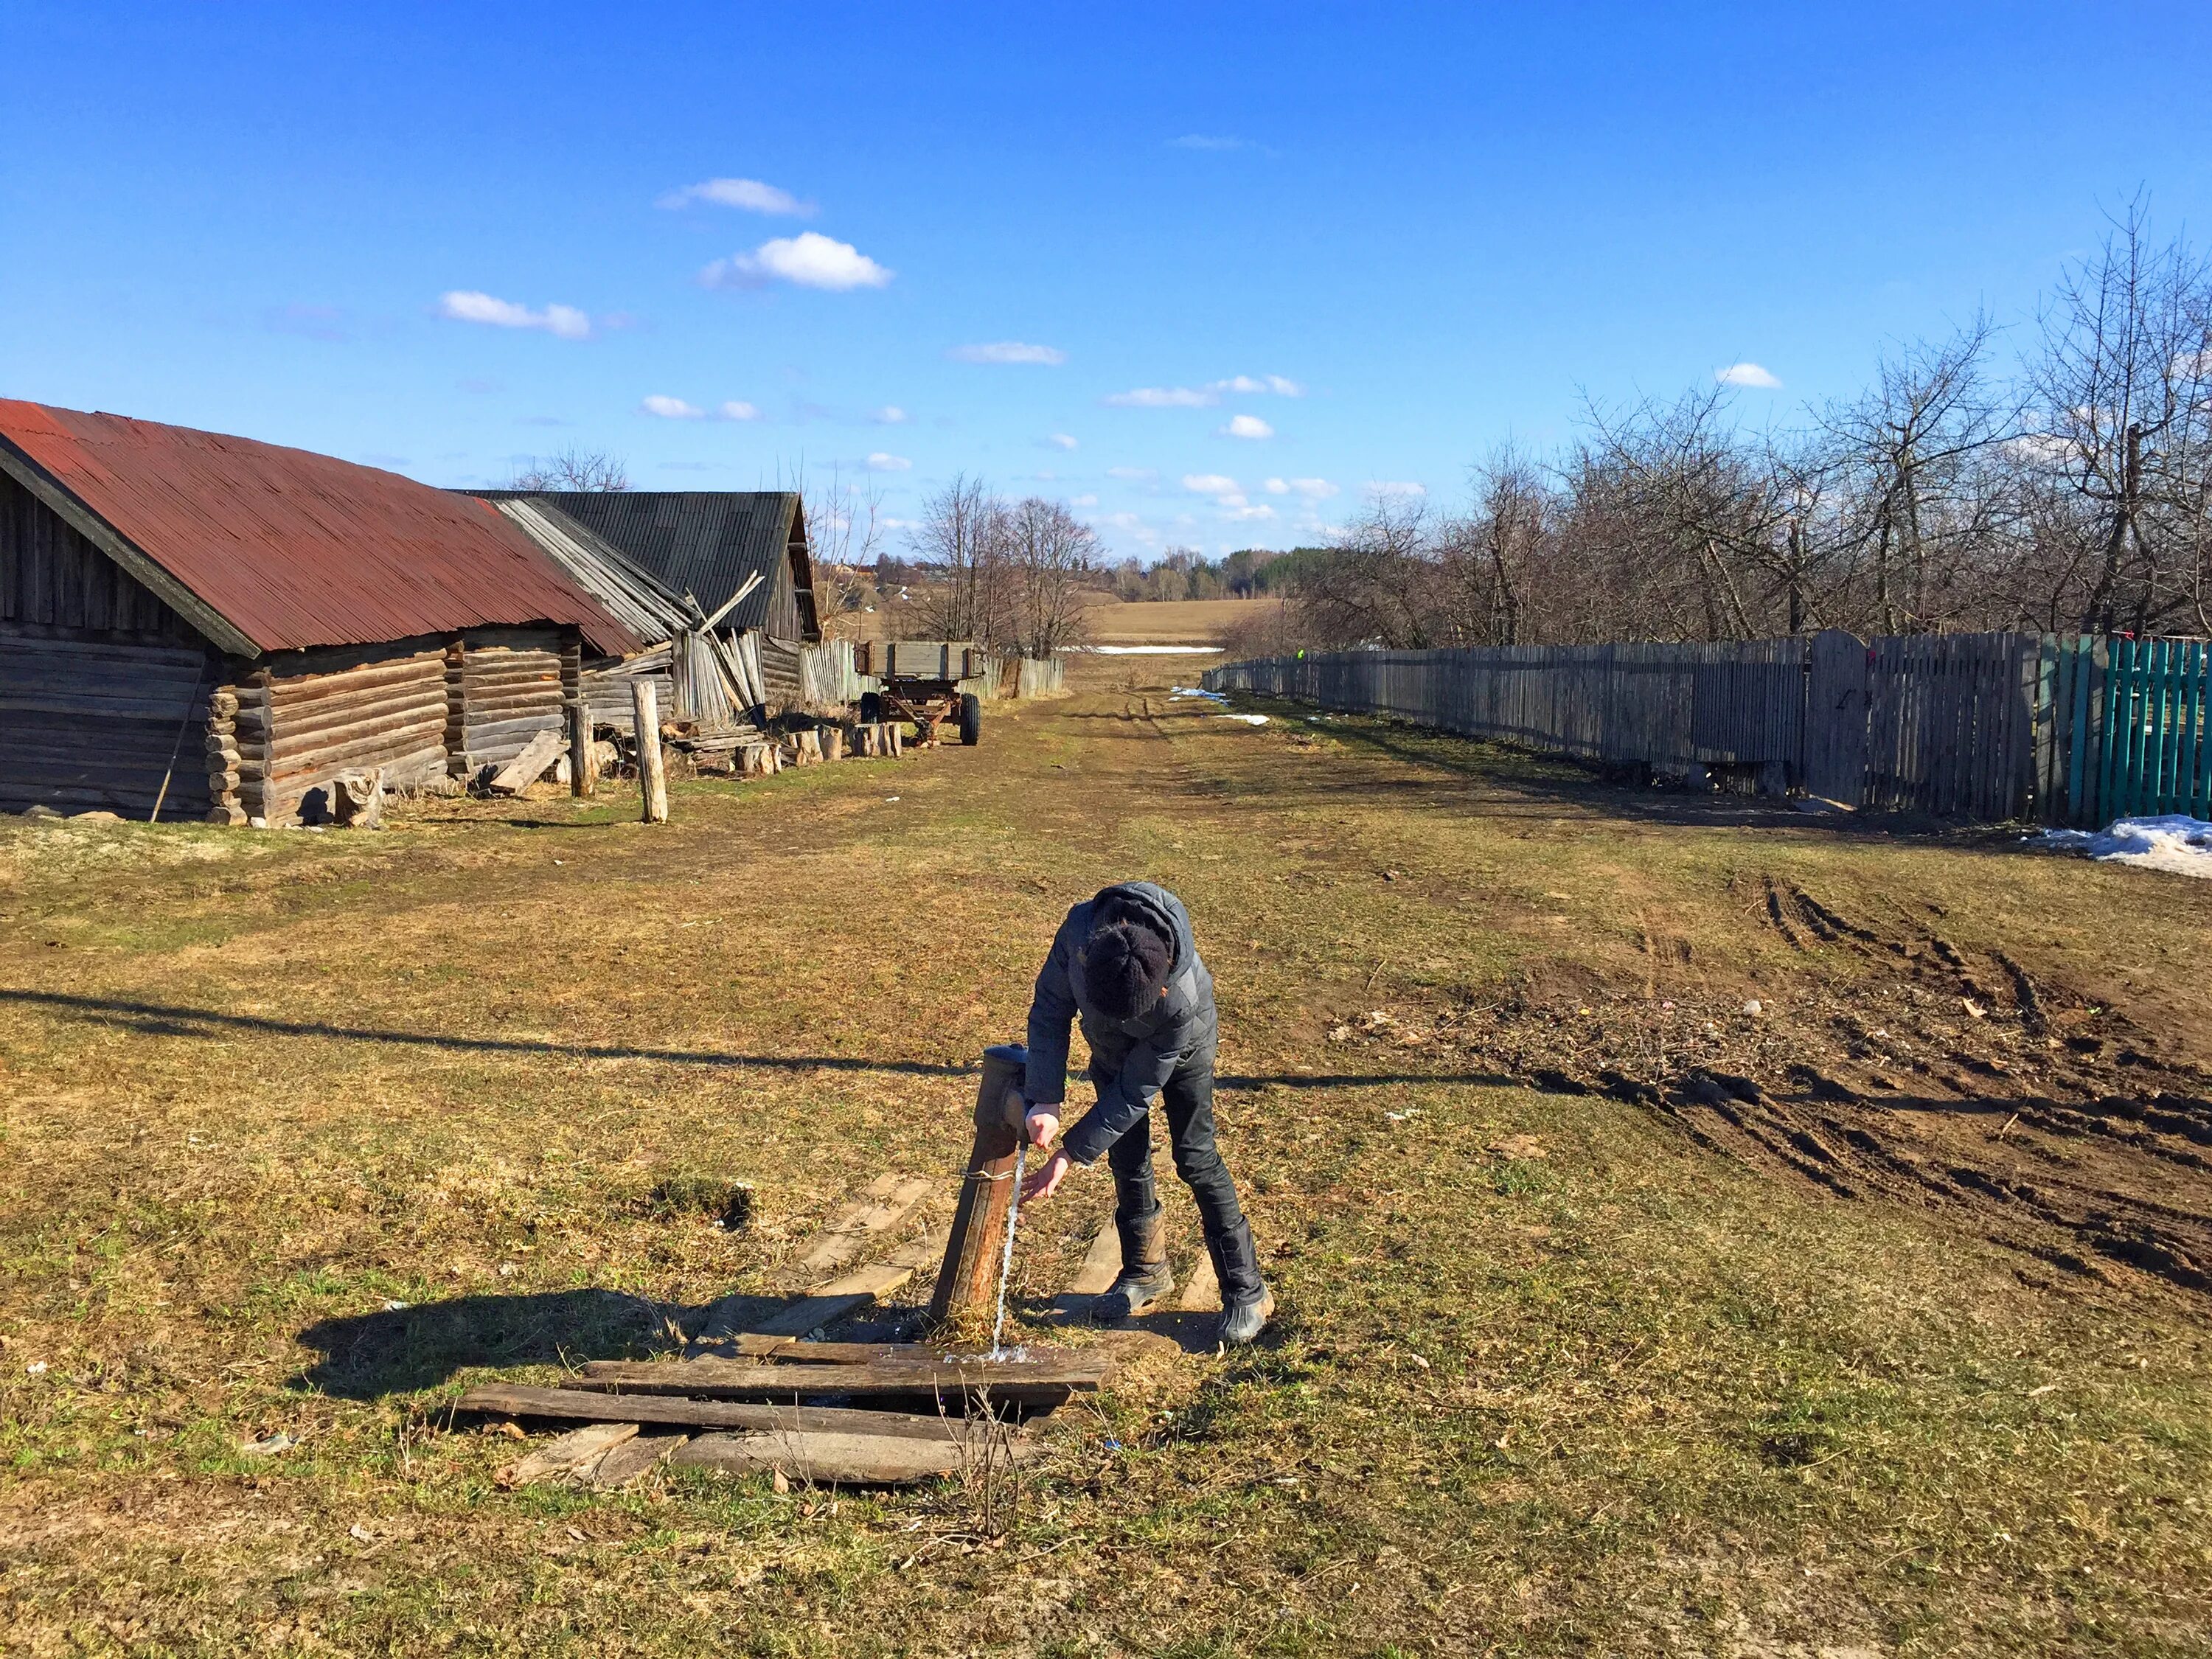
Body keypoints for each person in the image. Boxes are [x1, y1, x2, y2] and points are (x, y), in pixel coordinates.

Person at [1015, 880, 1273, 1346]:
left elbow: (1136, 1093)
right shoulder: (1078, 936)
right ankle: (1145, 1271)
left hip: (1183, 1051)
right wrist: (1046, 1098)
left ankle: (1246, 1290)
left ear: (1161, 986)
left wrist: (1070, 1152)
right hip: (1111, 1052)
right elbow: (1051, 1008)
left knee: (1195, 1157)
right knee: (1126, 1157)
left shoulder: (1181, 999)